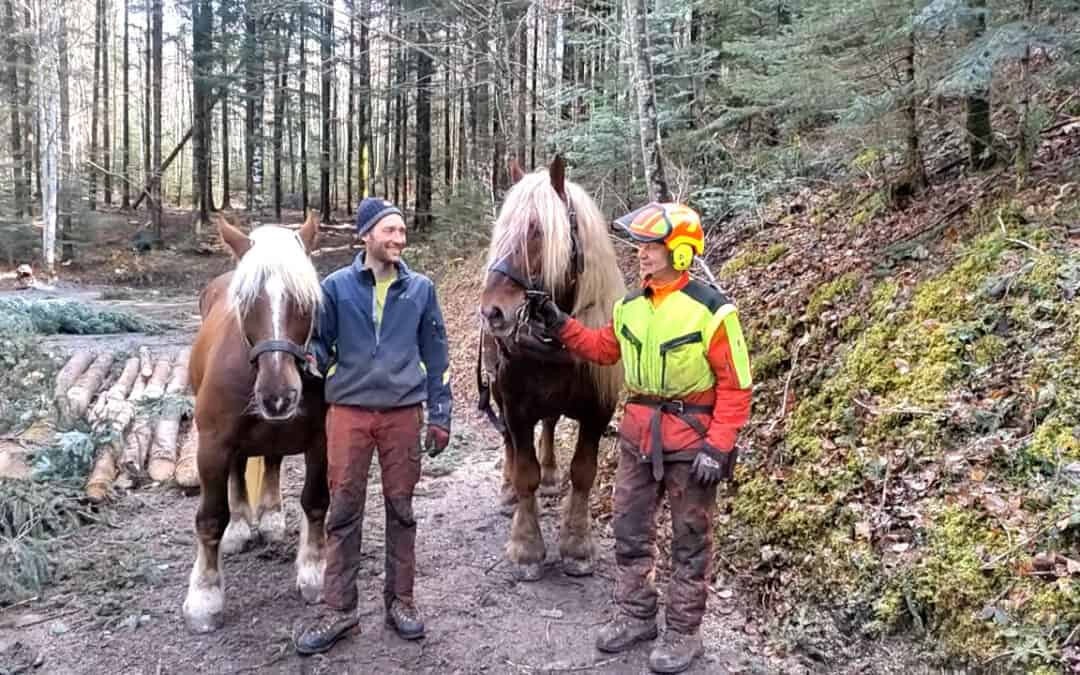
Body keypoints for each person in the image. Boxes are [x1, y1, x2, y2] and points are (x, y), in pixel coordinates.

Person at [534, 203, 752, 674]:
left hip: (693, 441)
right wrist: (560, 324)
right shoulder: (630, 306)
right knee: (629, 531)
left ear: (680, 251)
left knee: (690, 541)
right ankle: (636, 615)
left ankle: (683, 632)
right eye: (641, 247)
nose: (642, 255)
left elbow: (736, 387)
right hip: (637, 437)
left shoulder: (713, 311)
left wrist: (719, 445)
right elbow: (603, 348)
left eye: (651, 247)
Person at [296, 198, 452, 655]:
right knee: (343, 511)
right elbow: (320, 345)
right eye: (390, 231)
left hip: (404, 413)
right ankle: (338, 610)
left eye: (403, 231)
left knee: (401, 510)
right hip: (348, 413)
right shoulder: (336, 287)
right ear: (366, 235)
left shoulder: (421, 289)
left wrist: (440, 414)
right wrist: (310, 361)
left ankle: (400, 602)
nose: (399, 239)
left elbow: (438, 357)